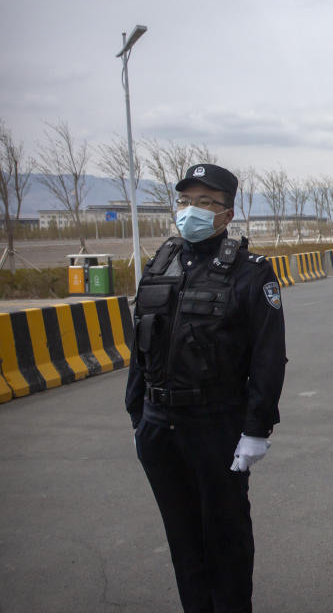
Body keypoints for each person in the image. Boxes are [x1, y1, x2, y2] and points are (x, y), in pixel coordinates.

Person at [125, 163, 286, 613]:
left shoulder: (251, 273)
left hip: (216, 425)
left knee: (226, 538)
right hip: (160, 426)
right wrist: (137, 414)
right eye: (184, 201)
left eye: (204, 203)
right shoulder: (160, 262)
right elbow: (141, 345)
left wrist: (256, 429)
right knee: (183, 540)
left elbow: (268, 359)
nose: (190, 210)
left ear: (226, 214)